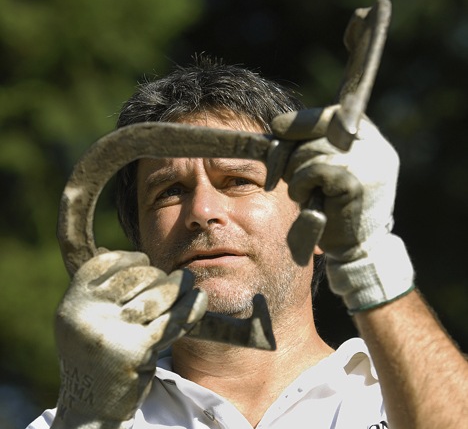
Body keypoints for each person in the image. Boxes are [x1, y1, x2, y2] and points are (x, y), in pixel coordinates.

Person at [28, 57, 467, 429]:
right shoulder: (77, 420)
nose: (201, 210)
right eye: (170, 191)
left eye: (238, 180)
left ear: (317, 222)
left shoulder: (401, 392)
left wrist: (370, 259)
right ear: (139, 239)